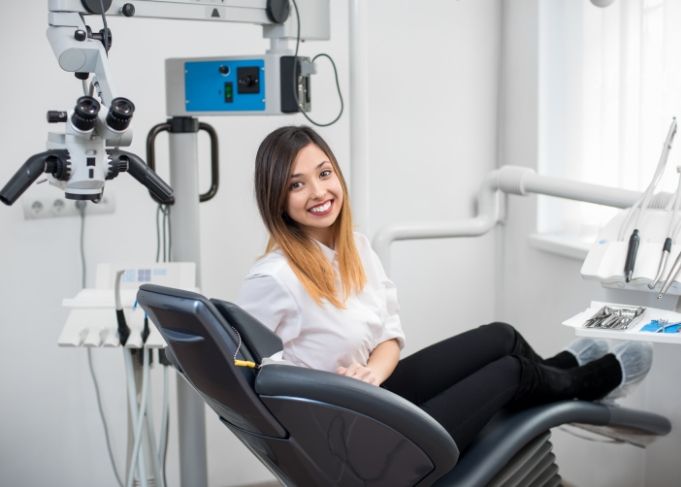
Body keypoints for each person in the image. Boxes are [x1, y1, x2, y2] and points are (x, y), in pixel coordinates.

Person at [237, 125, 653, 452]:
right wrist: (328, 396)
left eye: (324, 173)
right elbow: (247, 382)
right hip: (352, 437)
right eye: (297, 184)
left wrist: (371, 374)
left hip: (374, 397)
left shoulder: (356, 249)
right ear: (276, 198)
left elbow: (388, 336)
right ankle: (581, 387)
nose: (318, 192)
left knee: (500, 335)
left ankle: (563, 376)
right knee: (511, 371)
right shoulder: (274, 280)